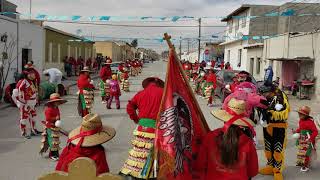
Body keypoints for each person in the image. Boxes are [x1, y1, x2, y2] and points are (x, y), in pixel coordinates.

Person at [196, 97, 259, 179]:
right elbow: (253, 171)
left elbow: (199, 165)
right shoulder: (248, 142)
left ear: (224, 117)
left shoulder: (209, 137)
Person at [120, 77, 164, 179]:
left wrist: (136, 119)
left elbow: (130, 107)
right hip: (157, 129)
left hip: (141, 129)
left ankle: (135, 174)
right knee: (156, 155)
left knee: (139, 153)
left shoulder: (140, 93)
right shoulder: (163, 93)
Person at [258, 84, 290, 180]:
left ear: (271, 92)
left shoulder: (281, 97)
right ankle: (270, 166)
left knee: (277, 149)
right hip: (267, 126)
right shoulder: (267, 98)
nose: (263, 94)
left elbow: (285, 113)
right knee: (268, 147)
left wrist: (270, 112)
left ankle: (277, 170)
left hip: (278, 128)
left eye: (265, 92)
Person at [12, 68, 41, 138]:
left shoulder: (31, 81)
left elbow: (34, 92)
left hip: (32, 103)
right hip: (25, 104)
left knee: (33, 117)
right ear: (27, 74)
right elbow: (18, 91)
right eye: (31, 73)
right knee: (24, 118)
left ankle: (33, 130)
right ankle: (23, 132)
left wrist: (36, 99)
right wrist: (22, 101)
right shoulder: (23, 81)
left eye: (33, 73)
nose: (33, 75)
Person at [40, 93, 67, 161]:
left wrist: (58, 119)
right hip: (50, 127)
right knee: (52, 141)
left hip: (55, 126)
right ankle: (52, 155)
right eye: (56, 102)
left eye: (58, 101)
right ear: (53, 102)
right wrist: (55, 118)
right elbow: (48, 118)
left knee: (56, 141)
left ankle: (56, 154)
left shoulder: (56, 108)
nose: (57, 103)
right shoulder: (48, 109)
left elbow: (58, 115)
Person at [292, 106, 318, 172]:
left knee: (306, 153)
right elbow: (300, 128)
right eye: (299, 114)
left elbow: (315, 131)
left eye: (301, 114)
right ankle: (300, 162)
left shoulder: (310, 122)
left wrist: (311, 139)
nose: (299, 115)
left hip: (308, 140)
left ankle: (305, 166)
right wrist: (296, 131)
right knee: (301, 151)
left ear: (306, 115)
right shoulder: (301, 120)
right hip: (302, 139)